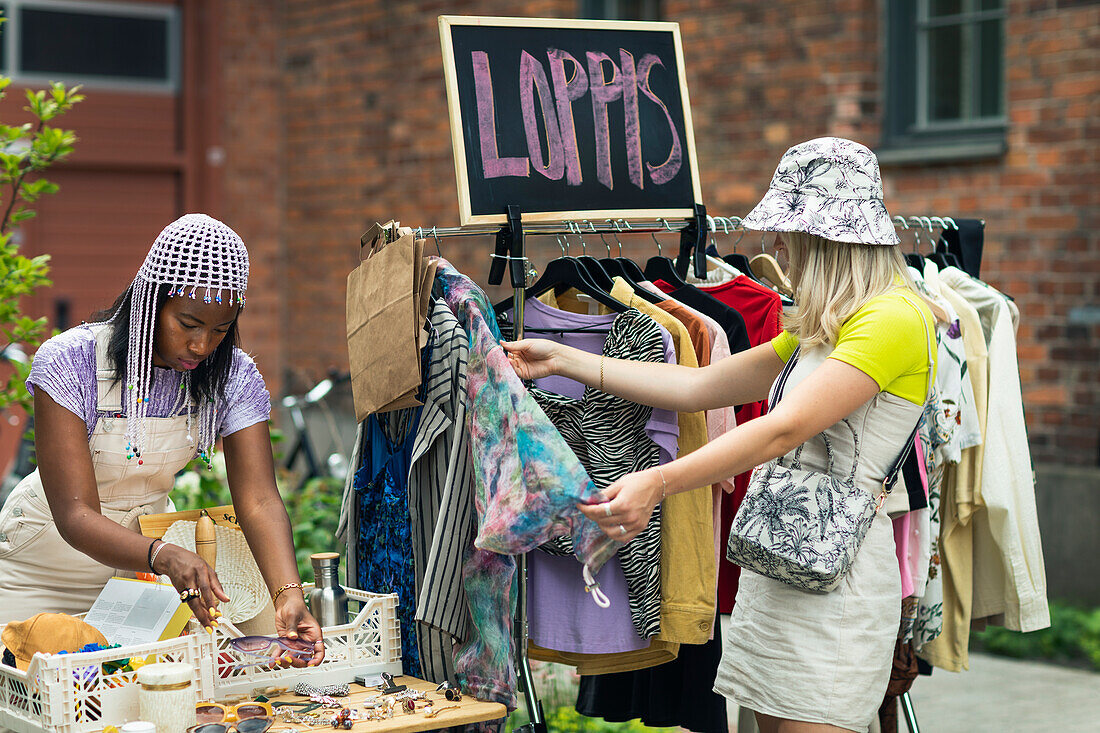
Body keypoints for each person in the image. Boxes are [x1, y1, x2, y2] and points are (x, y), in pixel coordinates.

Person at [504, 137, 936, 733]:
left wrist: (656, 481)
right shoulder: (827, 323)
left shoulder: (894, 318)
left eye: (793, 230)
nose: (781, 245)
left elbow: (781, 430)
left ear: (831, 237)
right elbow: (700, 386)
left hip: (839, 581)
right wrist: (564, 359)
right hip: (779, 565)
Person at [0, 214, 324, 666]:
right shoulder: (70, 361)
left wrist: (287, 594)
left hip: (138, 578)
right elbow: (74, 514)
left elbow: (260, 500)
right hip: (42, 565)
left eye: (219, 329)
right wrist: (165, 555)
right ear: (151, 302)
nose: (201, 345)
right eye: (188, 324)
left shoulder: (233, 376)